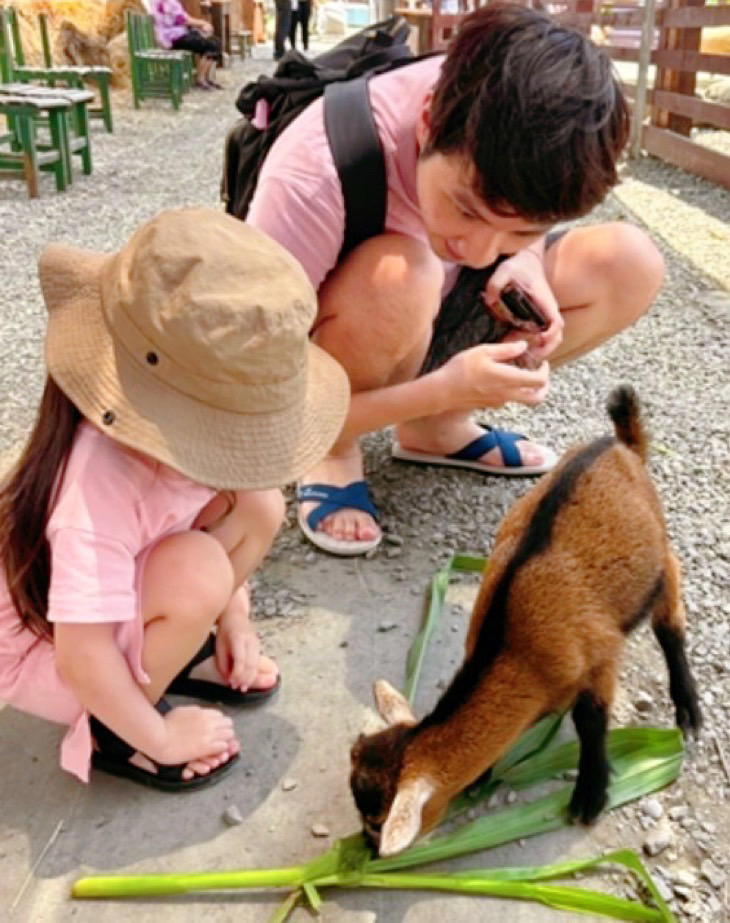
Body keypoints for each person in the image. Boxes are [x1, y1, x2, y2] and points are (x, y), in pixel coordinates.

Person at [245, 2, 665, 556]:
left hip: (427, 319)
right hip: (330, 356)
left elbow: (512, 228)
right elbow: (253, 406)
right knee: (402, 272)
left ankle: (437, 430)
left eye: (517, 230)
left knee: (631, 261)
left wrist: (528, 261)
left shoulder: (527, 133)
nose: (479, 252)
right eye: (466, 210)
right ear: (427, 122)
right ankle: (335, 448)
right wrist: (445, 385)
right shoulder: (314, 170)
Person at [0, 208, 349, 791]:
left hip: (115, 603)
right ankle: (118, 734)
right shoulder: (93, 488)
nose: (233, 447)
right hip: (53, 651)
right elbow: (79, 657)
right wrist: (158, 737)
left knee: (257, 503)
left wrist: (234, 619)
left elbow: (204, 513)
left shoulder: (167, 449)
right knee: (198, 569)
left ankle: (173, 653)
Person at [150, 0, 224, 89]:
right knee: (210, 44)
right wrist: (203, 23)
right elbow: (183, 20)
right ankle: (201, 79)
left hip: (175, 35)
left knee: (215, 41)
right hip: (173, 38)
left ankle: (208, 77)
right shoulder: (168, 2)